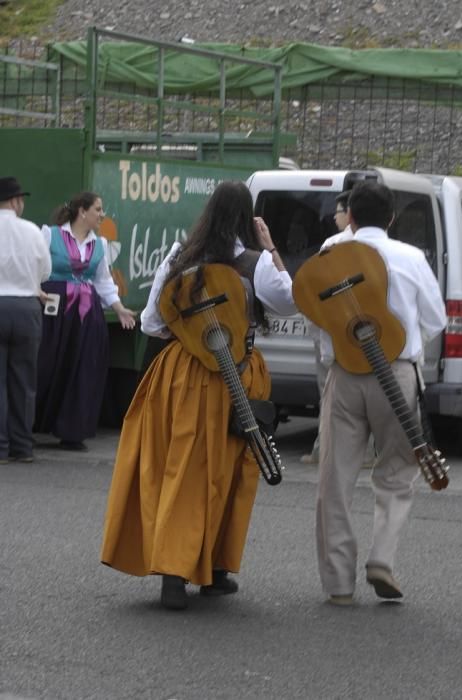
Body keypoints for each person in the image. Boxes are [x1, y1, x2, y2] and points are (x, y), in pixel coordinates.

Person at [100, 180, 296, 610]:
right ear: (248, 218)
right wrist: (272, 249)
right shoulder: (255, 262)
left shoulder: (178, 256)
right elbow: (288, 302)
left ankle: (174, 573)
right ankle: (215, 570)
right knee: (232, 473)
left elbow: (153, 322)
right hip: (239, 378)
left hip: (183, 374)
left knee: (183, 470)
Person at [310, 181, 446, 605]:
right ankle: (382, 559)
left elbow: (315, 317)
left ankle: (338, 583)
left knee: (336, 478)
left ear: (348, 215)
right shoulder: (410, 257)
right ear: (391, 218)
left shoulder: (330, 253)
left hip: (346, 373)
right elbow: (436, 320)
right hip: (397, 373)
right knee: (397, 473)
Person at [34, 191, 136, 451]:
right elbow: (35, 268)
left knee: (82, 369)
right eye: (98, 209)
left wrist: (120, 308)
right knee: (45, 365)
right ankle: (29, 424)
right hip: (54, 311)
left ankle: (72, 431)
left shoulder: (100, 245)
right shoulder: (51, 235)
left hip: (86, 314)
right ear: (83, 211)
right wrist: (35, 289)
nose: (102, 214)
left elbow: (103, 282)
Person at [301, 191, 376, 467]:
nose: (334, 216)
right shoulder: (382, 248)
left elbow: (315, 291)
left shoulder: (333, 244)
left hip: (332, 339)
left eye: (339, 211)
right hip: (369, 337)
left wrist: (317, 331)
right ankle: (367, 452)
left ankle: (325, 450)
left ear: (350, 215)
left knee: (331, 399)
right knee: (369, 399)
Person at [0, 177, 51, 464]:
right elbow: (45, 271)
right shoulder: (31, 231)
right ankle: (22, 446)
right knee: (23, 380)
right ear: (16, 201)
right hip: (26, 307)